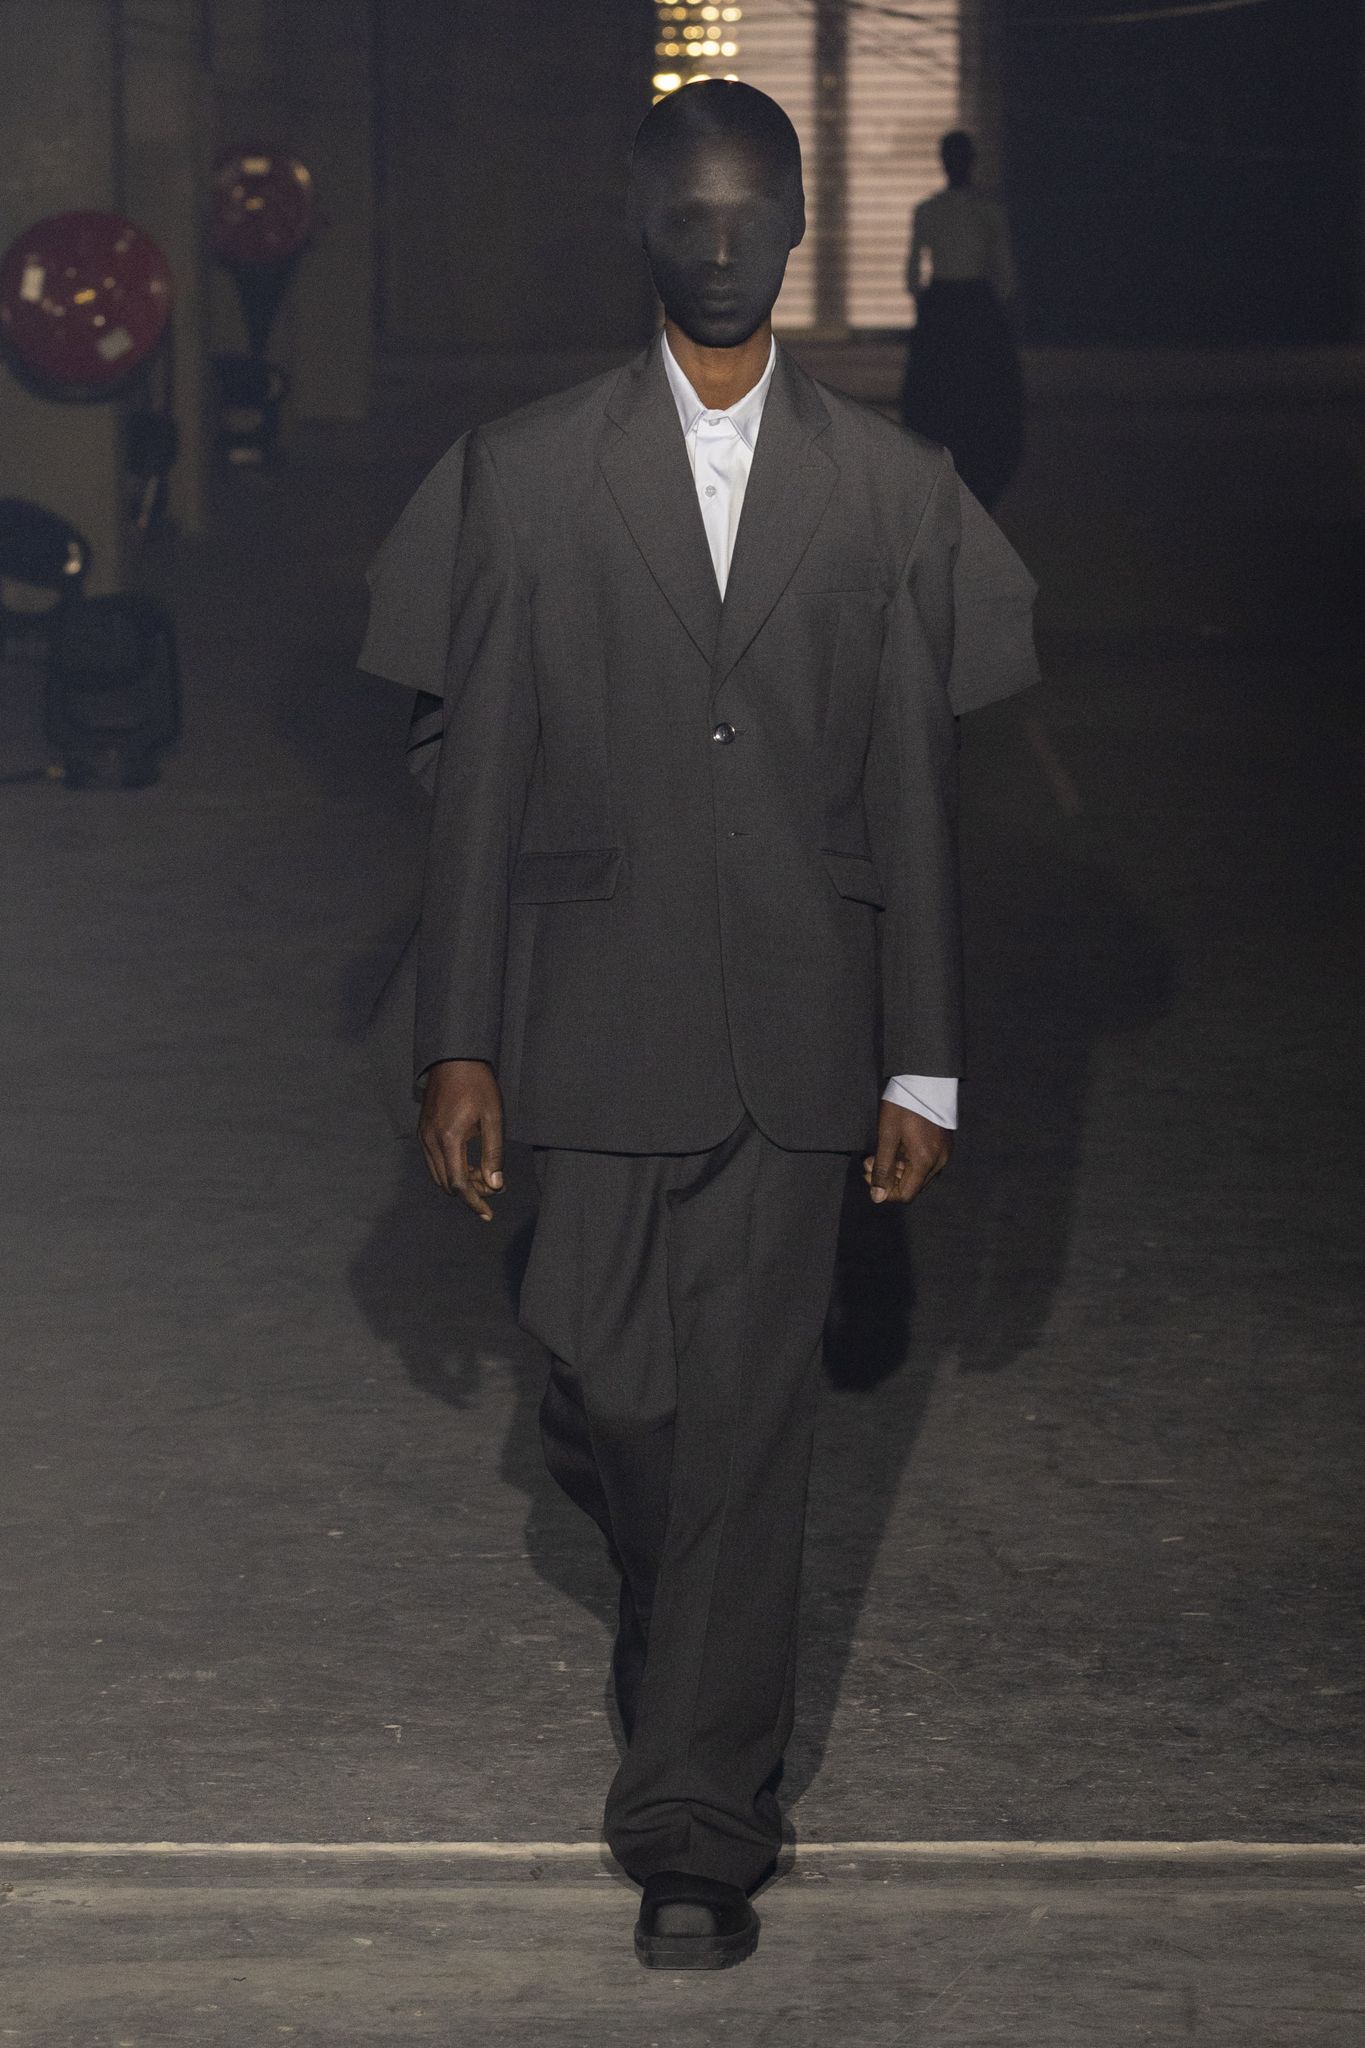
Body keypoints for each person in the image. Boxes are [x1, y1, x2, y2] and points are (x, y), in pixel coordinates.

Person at [359, 80, 1038, 1971]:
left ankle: (695, 1830)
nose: (724, 248)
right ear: (639, 227)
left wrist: (922, 1055)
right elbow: (470, 770)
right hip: (582, 1019)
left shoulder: (894, 493)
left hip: (800, 1037)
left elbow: (916, 788)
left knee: (744, 1422)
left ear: (805, 225)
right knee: (609, 1388)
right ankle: (689, 1633)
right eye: (690, 216)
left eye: (756, 215)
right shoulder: (522, 474)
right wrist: (459, 1035)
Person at [900, 129, 1024, 510]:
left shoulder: (931, 210)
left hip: (946, 305)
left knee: (940, 392)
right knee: (981, 393)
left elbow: (911, 275)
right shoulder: (986, 212)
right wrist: (992, 306)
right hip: (974, 305)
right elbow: (1006, 274)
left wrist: (928, 303)